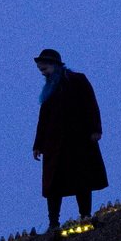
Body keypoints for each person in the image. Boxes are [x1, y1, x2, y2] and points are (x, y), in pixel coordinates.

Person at [32, 49, 106, 229]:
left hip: (78, 140)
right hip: (54, 144)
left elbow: (91, 104)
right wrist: (38, 144)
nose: (43, 73)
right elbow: (43, 119)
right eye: (41, 71)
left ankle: (85, 216)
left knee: (82, 178)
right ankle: (53, 223)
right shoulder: (49, 89)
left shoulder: (77, 80)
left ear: (55, 65)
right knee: (53, 184)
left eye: (45, 69)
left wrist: (95, 129)